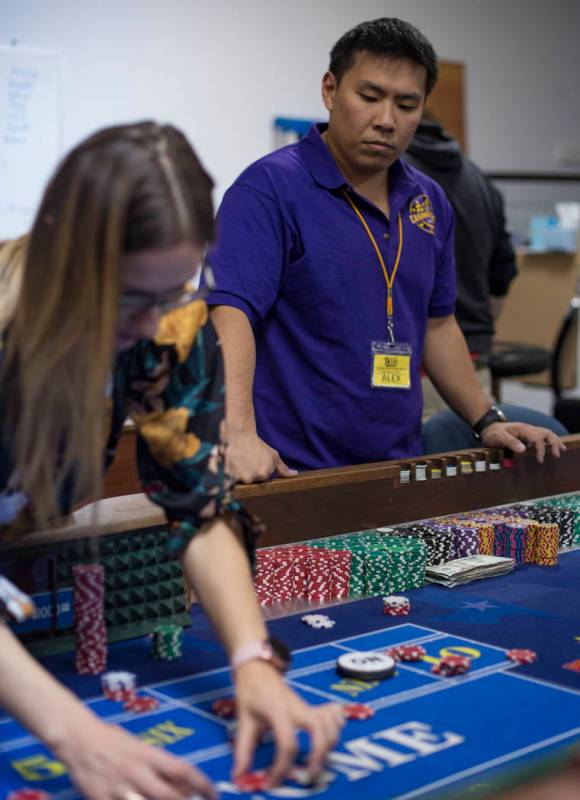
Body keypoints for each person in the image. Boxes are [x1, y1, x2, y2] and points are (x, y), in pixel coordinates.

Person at [0, 122, 343, 800]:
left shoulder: (169, 326)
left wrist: (250, 660)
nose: (154, 321)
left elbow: (199, 503)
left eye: (176, 289)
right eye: (133, 296)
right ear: (68, 262)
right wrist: (76, 735)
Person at [205, 17, 564, 484]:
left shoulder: (429, 201)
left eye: (406, 103)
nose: (386, 120)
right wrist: (238, 433)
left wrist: (486, 419)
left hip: (397, 468)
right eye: (369, 97)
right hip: (289, 472)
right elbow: (230, 310)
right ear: (331, 91)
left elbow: (438, 325)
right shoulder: (269, 188)